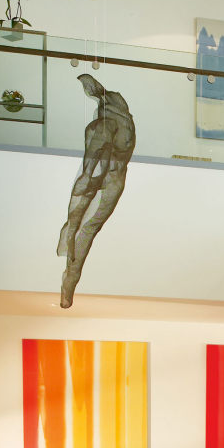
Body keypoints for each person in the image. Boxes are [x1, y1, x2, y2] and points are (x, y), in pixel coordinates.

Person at [57, 74, 135, 309]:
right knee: (87, 229)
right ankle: (70, 279)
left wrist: (84, 184)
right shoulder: (128, 126)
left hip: (104, 180)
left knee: (80, 225)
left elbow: (90, 166)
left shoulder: (102, 125)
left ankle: (70, 279)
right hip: (115, 182)